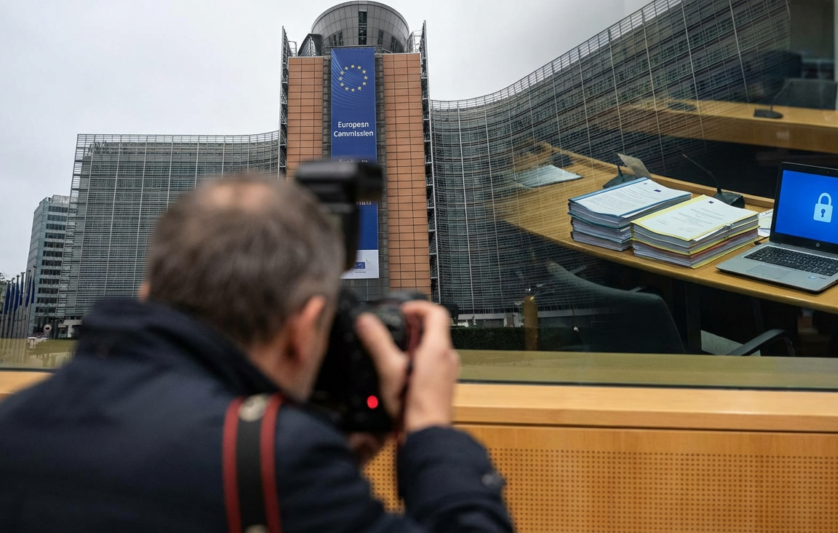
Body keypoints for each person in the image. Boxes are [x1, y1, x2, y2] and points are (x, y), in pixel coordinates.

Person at [0, 175, 514, 533]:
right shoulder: (277, 465)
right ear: (303, 331)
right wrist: (429, 428)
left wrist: (332, 456)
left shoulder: (14, 422)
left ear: (147, 294)